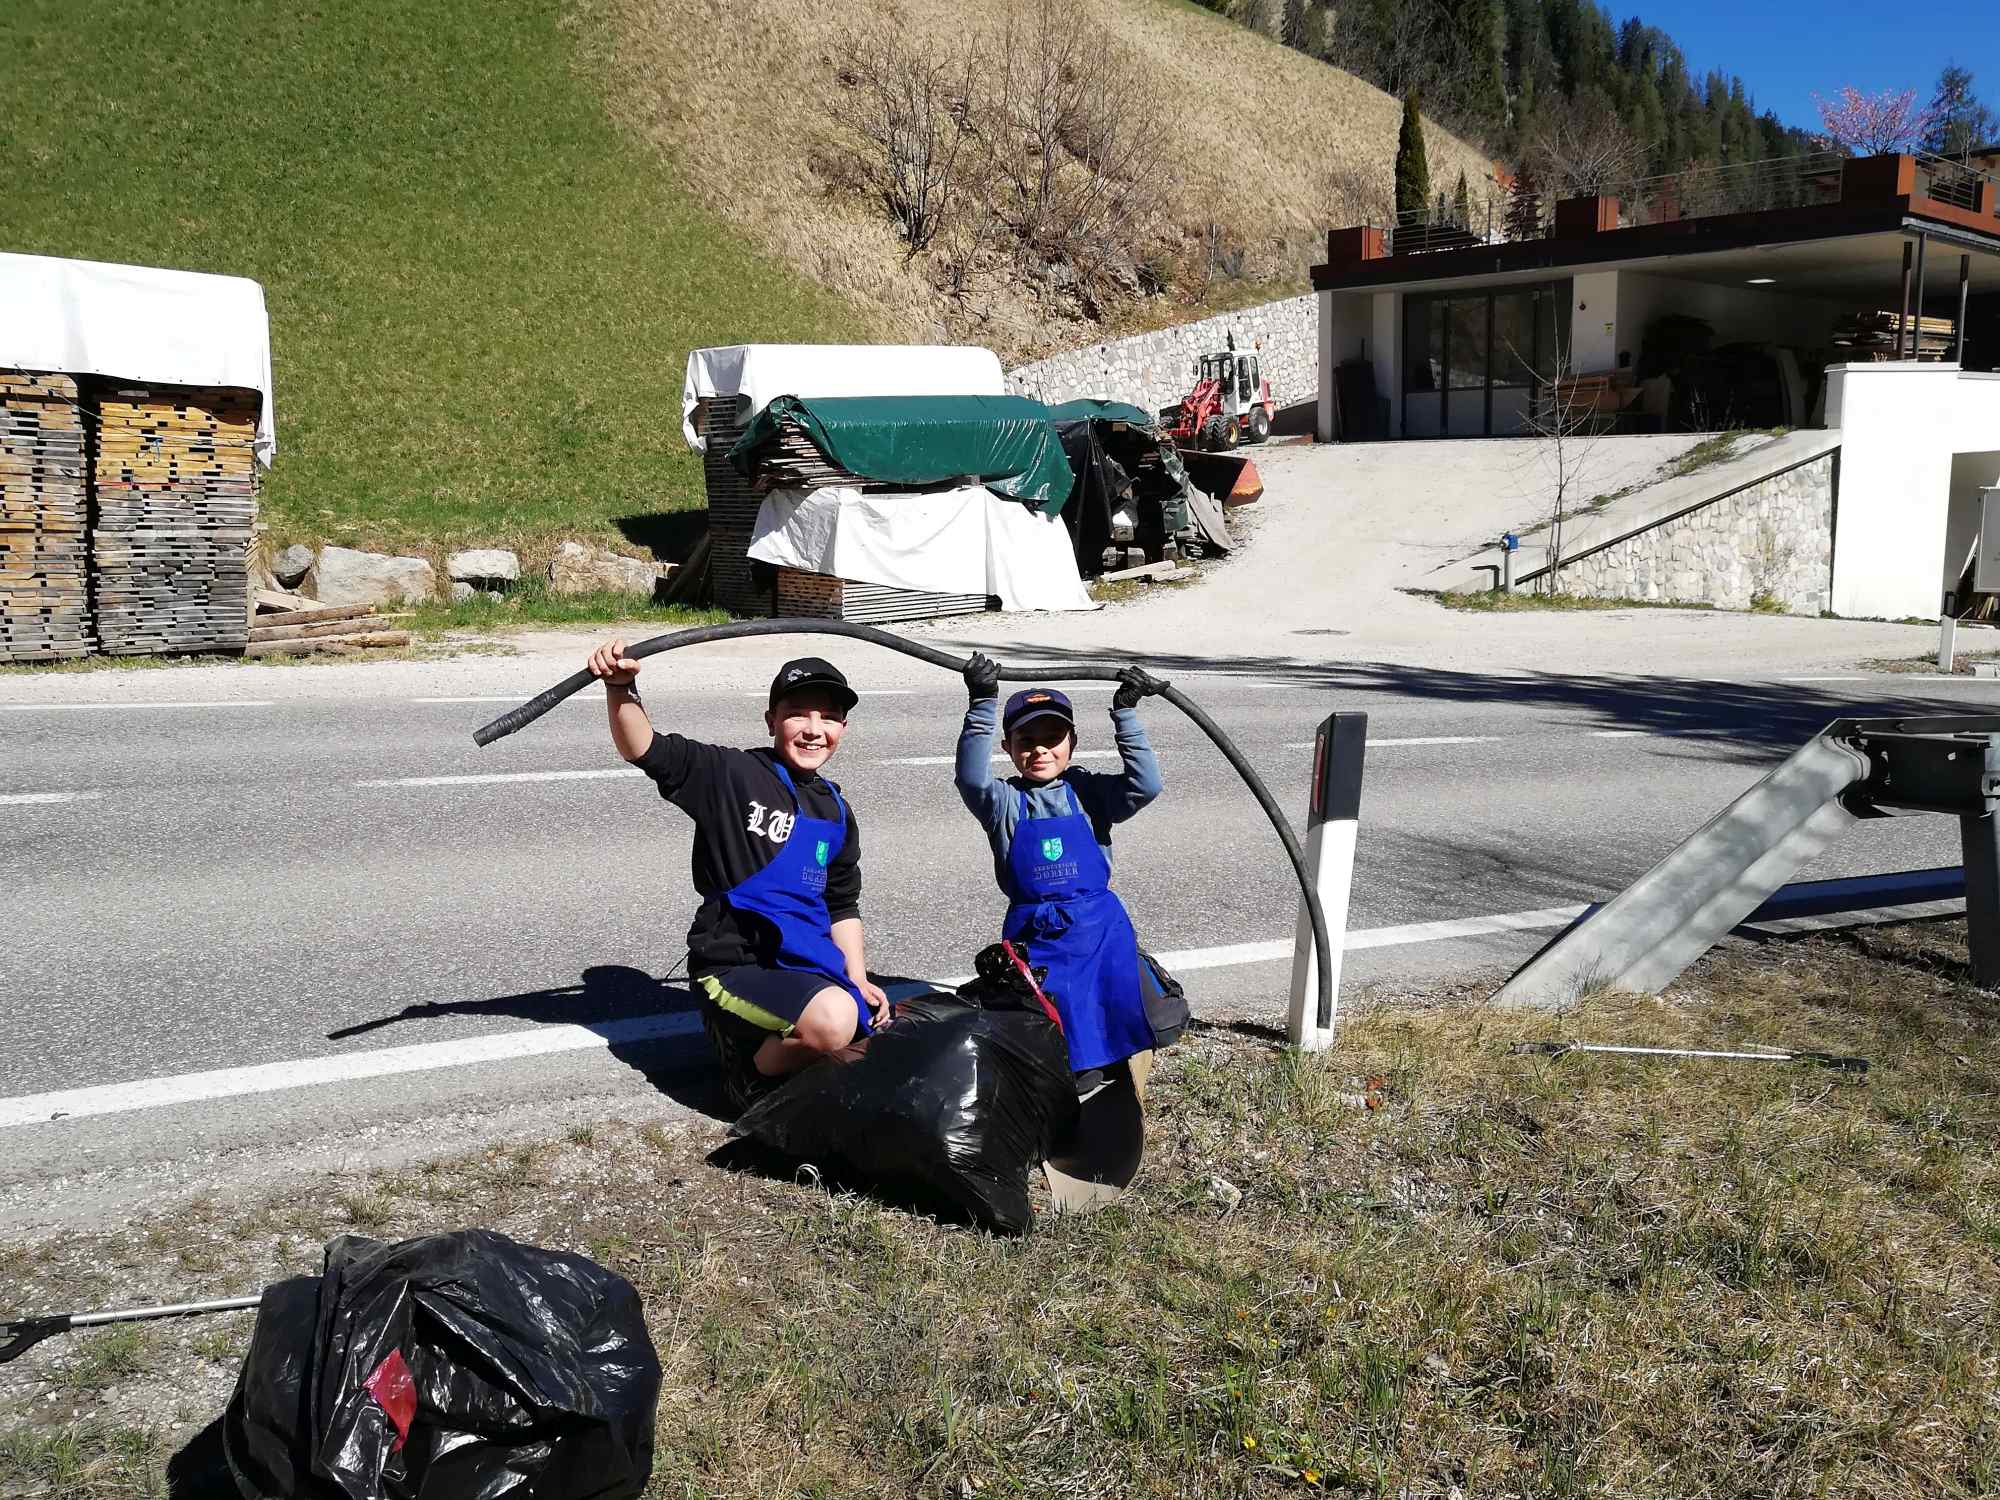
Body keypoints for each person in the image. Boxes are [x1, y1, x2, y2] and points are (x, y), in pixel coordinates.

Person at [588, 639, 891, 1111]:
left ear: (843, 728)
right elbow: (642, 747)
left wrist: (858, 977)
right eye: (798, 715)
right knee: (834, 1023)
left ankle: (790, 1052)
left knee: (872, 1033)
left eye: (828, 718)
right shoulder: (730, 774)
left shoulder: (837, 809)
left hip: (804, 963)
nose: (814, 730)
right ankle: (745, 1073)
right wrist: (621, 687)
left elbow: (842, 904)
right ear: (771, 719)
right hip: (734, 965)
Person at [953, 654, 1169, 1086]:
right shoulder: (1003, 803)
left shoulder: (1090, 792)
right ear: (1008, 748)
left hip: (1098, 928)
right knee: (1051, 1019)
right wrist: (981, 702)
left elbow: (1147, 785)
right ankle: (1063, 1088)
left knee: (1109, 1010)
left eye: (1052, 738)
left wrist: (1125, 714)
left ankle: (1112, 1077)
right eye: (1025, 740)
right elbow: (971, 779)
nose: (1039, 749)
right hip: (1035, 932)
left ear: (1072, 742)